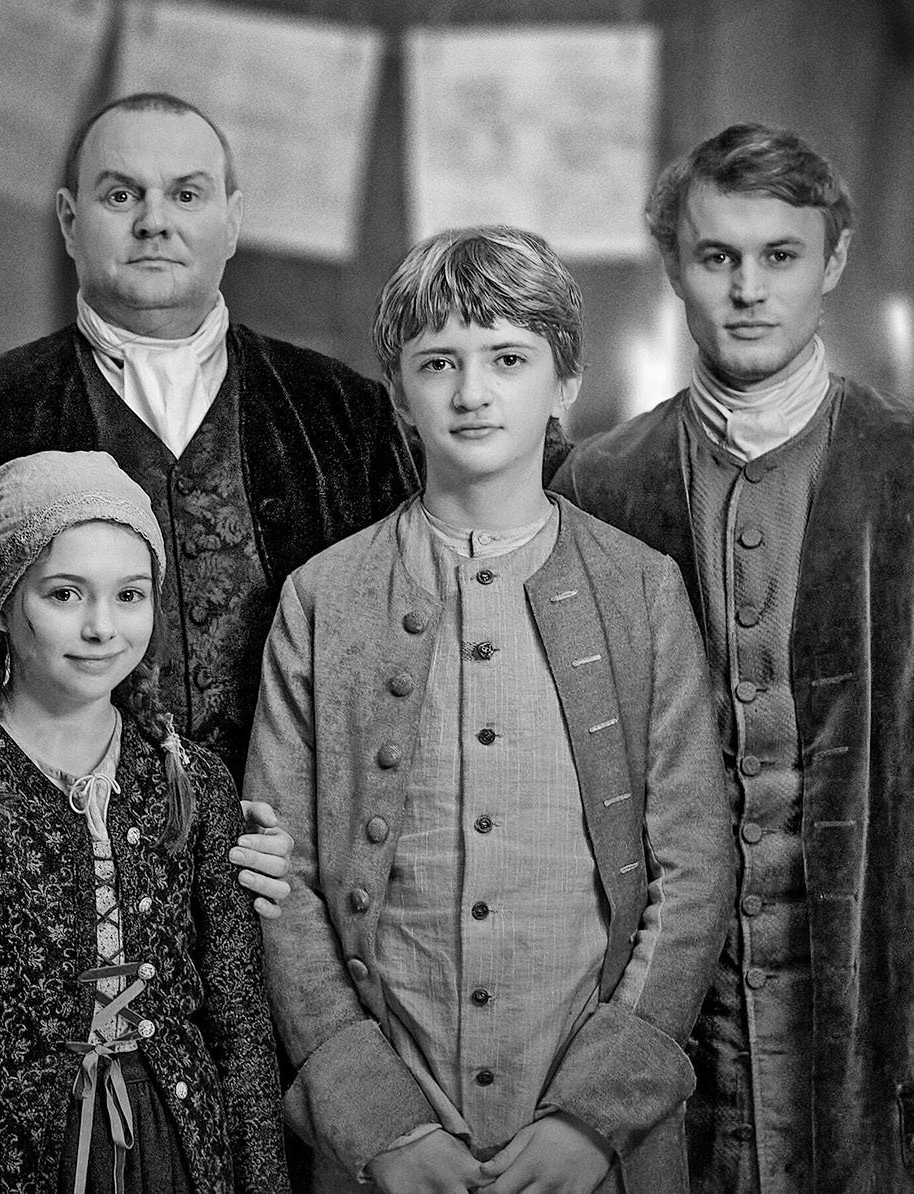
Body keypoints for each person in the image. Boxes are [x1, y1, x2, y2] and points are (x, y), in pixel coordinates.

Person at [551, 123, 914, 1191]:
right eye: (716, 256)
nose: (747, 289)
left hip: (890, 1027)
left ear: (831, 260)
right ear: (672, 265)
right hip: (681, 1034)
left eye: (779, 255)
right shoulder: (600, 484)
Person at [248, 226, 736, 1193]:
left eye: (508, 359)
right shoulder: (322, 598)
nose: (472, 393)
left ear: (564, 384)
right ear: (399, 392)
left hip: (596, 1144)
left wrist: (595, 1118)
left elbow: (693, 868)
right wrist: (378, 1123)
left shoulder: (641, 590)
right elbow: (282, 880)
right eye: (439, 363)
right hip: (390, 1143)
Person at [0, 91, 417, 789]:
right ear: (69, 221)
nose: (154, 222)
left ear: (231, 222)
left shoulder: (345, 413)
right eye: (121, 196)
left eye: (185, 195)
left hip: (300, 834)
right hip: (56, 836)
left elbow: (400, 657)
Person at [0, 450, 288, 1193]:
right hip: (9, 1155)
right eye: (64, 595)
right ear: (1, 602)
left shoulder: (191, 779)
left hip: (175, 1144)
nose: (102, 628)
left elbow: (240, 1023)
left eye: (130, 595)